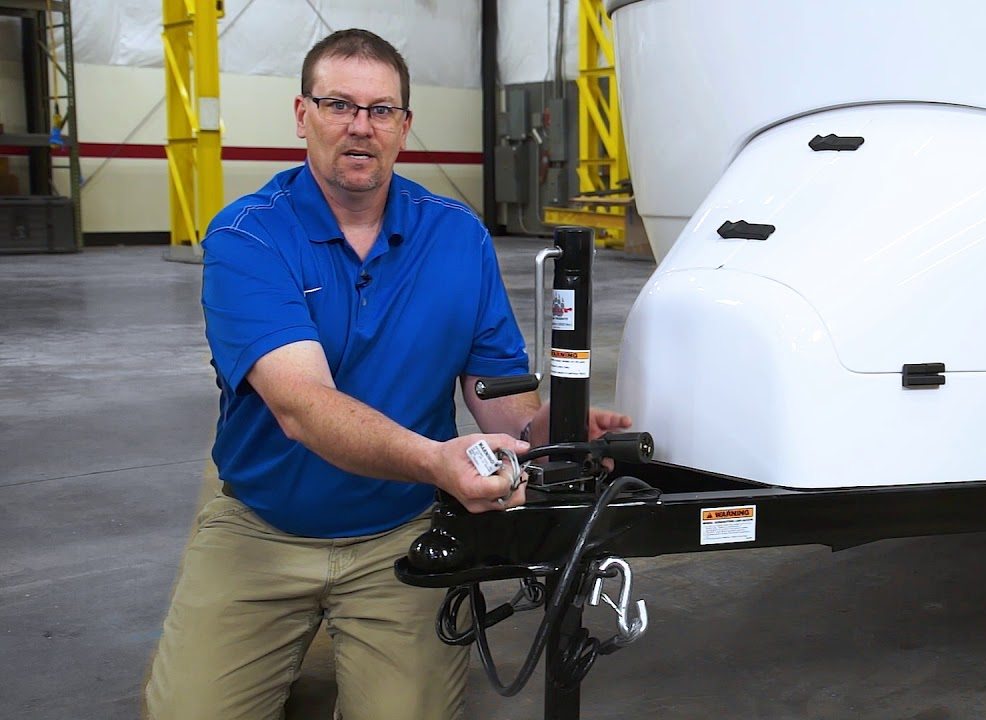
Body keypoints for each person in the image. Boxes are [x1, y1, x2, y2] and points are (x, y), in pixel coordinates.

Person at [144, 28, 630, 720]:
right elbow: (302, 406)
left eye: (380, 110)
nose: (360, 126)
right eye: (339, 104)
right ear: (302, 115)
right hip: (263, 525)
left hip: (402, 530)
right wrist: (437, 461)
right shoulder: (249, 236)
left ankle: (332, 651)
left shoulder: (456, 237)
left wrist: (548, 428)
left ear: (404, 126)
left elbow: (500, 398)